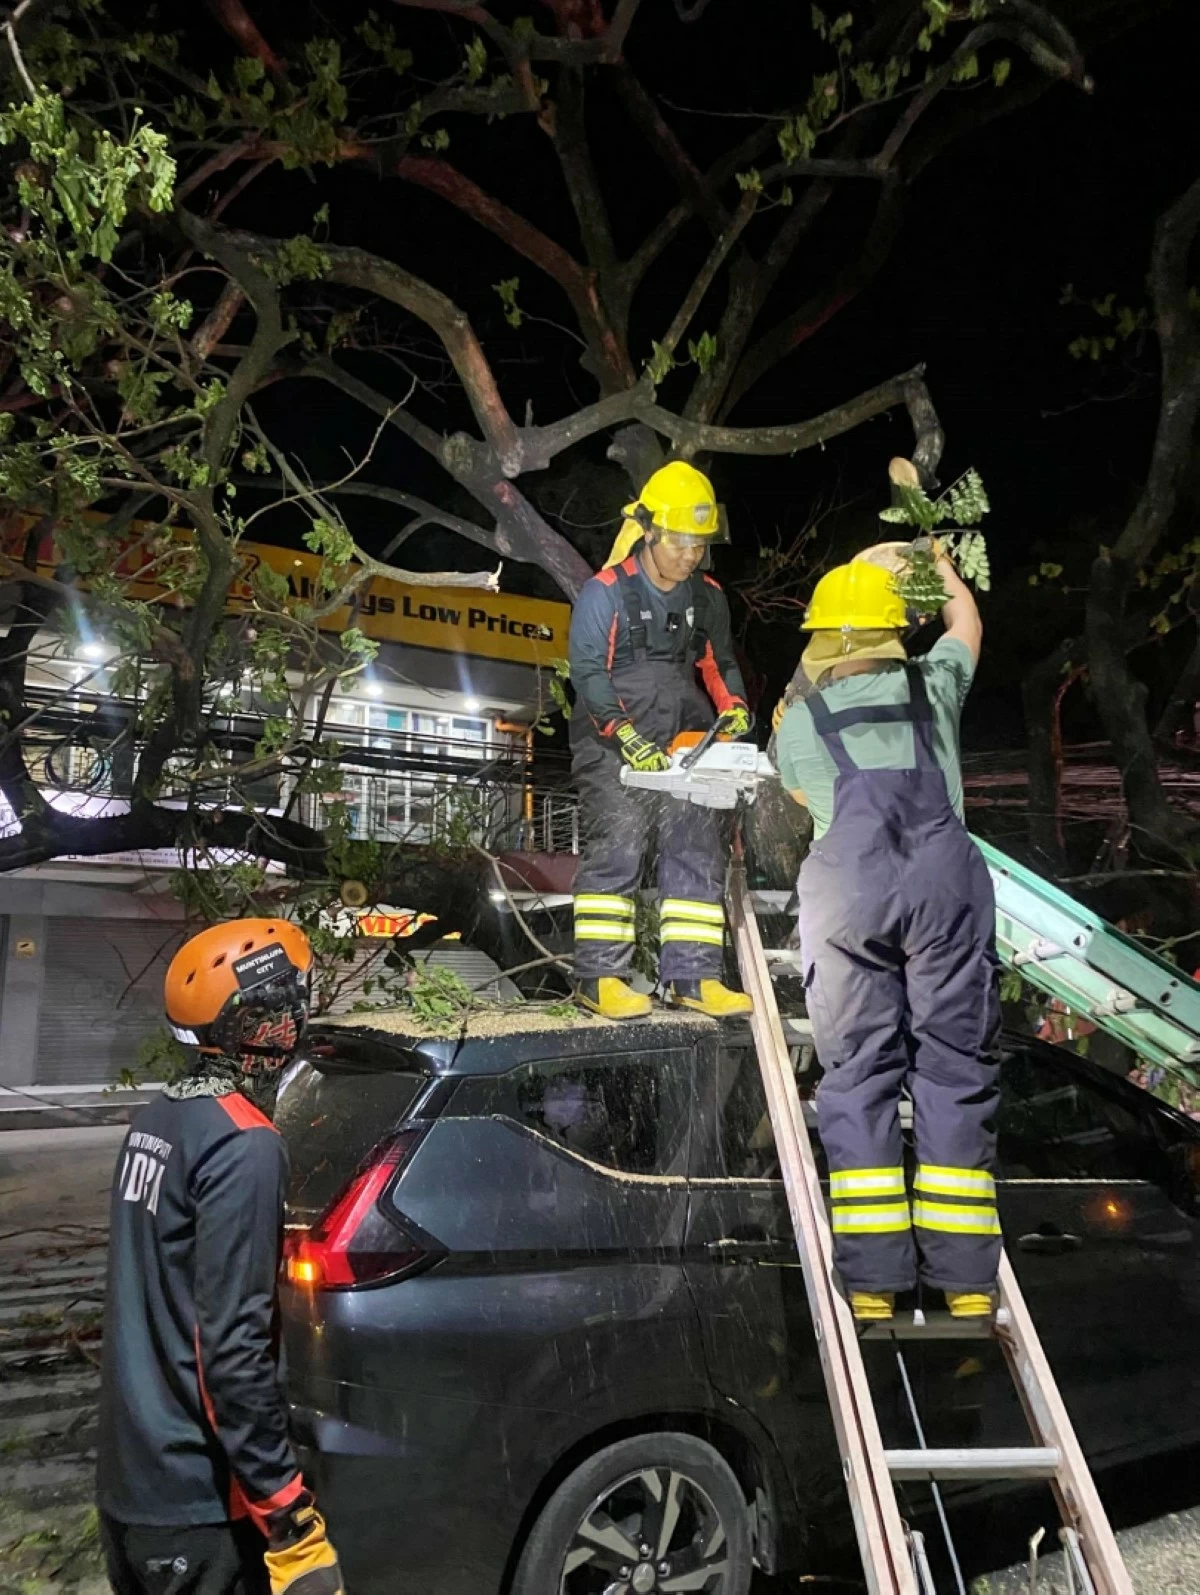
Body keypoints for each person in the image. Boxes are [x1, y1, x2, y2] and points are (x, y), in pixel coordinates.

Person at [774, 548, 1001, 1324]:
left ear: (827, 645)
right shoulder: (938, 685)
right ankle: (966, 1278)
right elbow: (965, 619)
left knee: (859, 1071)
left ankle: (872, 1281)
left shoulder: (802, 721)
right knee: (951, 1069)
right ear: (893, 632)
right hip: (946, 895)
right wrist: (934, 559)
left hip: (848, 900)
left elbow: (803, 794)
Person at [97, 919, 343, 1595]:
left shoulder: (155, 1122)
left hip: (130, 1488)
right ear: (259, 1017)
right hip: (197, 1506)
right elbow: (231, 1347)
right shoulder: (243, 1144)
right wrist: (286, 1510)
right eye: (293, 997)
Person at [568, 460, 754, 1020]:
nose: (690, 554)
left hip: (684, 734)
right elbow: (589, 673)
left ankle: (694, 979)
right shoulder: (604, 592)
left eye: (699, 544)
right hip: (612, 735)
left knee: (697, 847)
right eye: (680, 542)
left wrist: (736, 707)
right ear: (650, 530)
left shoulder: (708, 596)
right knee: (617, 847)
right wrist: (622, 732)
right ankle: (599, 978)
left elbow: (718, 663)